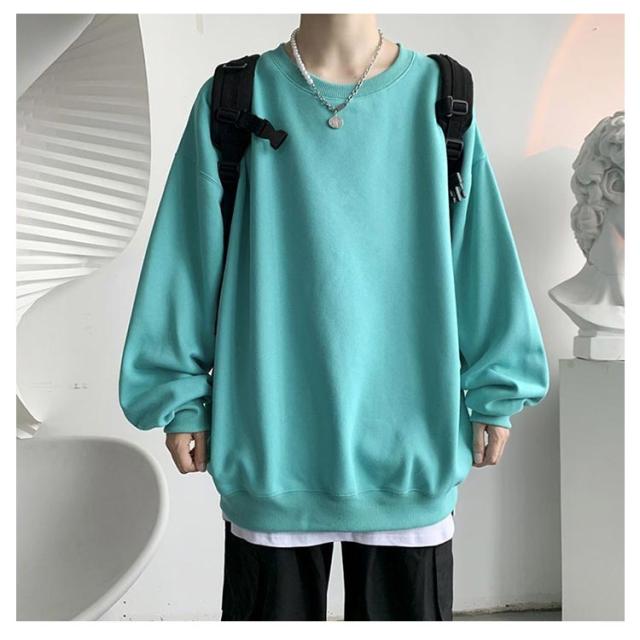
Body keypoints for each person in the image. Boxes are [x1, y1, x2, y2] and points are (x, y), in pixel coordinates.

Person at [118, 14, 550, 621]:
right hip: (273, 451)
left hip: (409, 450)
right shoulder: (234, 98)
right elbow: (186, 258)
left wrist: (498, 388)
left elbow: (480, 255)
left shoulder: (441, 98)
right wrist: (180, 396)